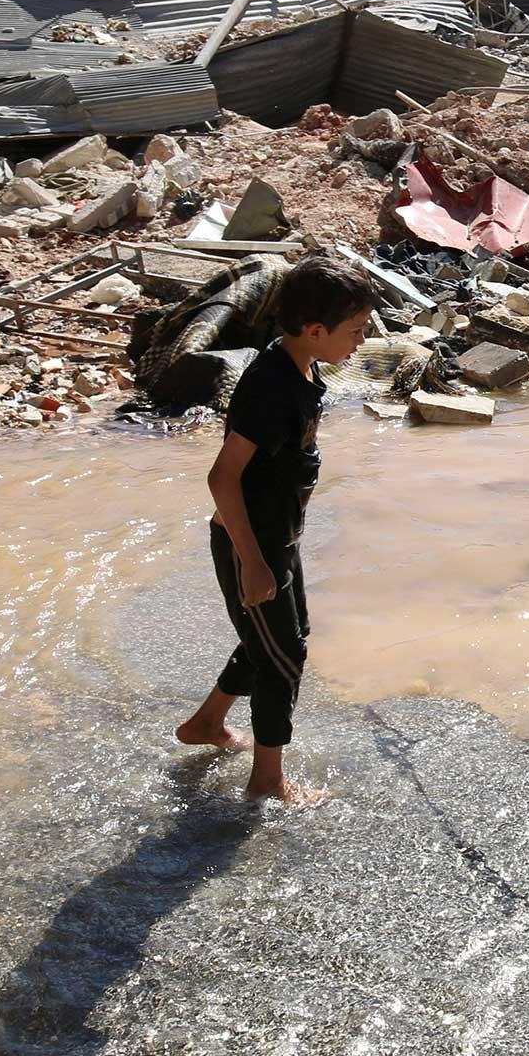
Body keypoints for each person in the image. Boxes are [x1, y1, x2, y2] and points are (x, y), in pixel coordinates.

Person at [174, 255, 375, 804]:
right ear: (314, 331)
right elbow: (222, 477)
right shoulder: (269, 387)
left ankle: (206, 725)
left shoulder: (303, 369)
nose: (361, 342)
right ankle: (267, 780)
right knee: (282, 660)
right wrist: (254, 562)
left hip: (277, 538)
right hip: (252, 545)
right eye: (355, 332)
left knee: (280, 640)